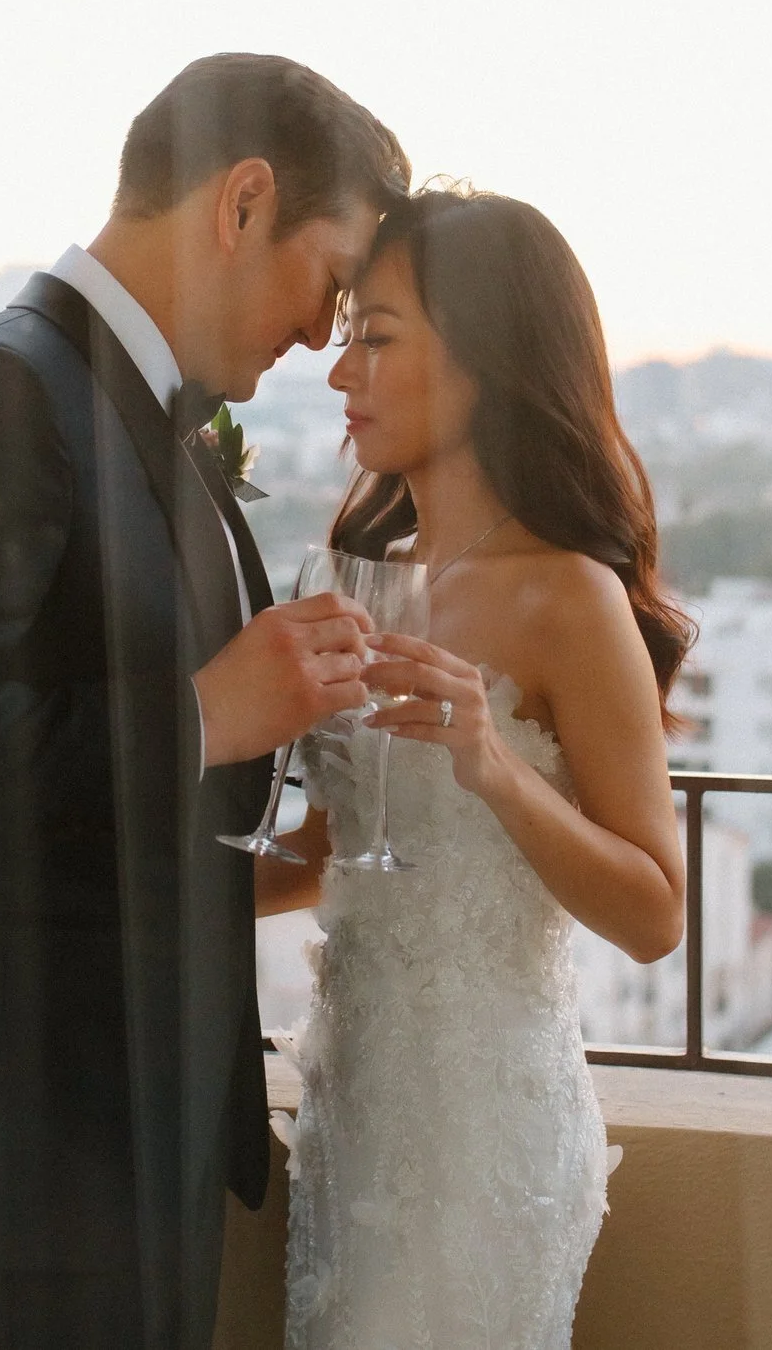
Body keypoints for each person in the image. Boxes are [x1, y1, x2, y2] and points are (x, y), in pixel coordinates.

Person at [0, 54, 410, 1347]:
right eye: (329, 281)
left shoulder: (144, 415)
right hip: (20, 1183)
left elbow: (87, 829)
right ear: (242, 201)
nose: (318, 333)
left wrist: (287, 860)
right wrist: (214, 711)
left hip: (128, 1155)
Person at [260, 184, 693, 1349]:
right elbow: (324, 854)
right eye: (347, 336)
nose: (343, 370)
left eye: (379, 337)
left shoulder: (569, 595)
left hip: (481, 1131)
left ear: (488, 359)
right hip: (352, 1107)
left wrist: (492, 762)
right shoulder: (358, 574)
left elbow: (655, 912)